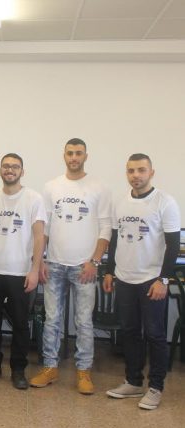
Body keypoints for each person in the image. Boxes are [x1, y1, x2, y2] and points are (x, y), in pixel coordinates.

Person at [30, 138, 111, 394]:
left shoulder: (99, 187)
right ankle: (50, 367)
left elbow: (106, 228)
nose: (74, 157)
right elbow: (44, 228)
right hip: (54, 265)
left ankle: (84, 371)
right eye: (69, 153)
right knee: (52, 319)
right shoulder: (51, 187)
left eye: (78, 153)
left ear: (86, 156)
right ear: (63, 156)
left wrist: (95, 261)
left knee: (84, 321)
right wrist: (41, 260)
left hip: (84, 267)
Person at [104, 154, 180, 410]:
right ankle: (133, 381)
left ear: (151, 173)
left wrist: (163, 279)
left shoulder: (165, 202)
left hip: (151, 280)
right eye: (131, 171)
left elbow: (172, 245)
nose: (135, 175)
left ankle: (155, 387)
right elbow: (115, 240)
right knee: (129, 332)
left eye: (141, 170)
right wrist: (109, 272)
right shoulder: (120, 202)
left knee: (155, 334)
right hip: (125, 278)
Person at [0, 153, 46, 389]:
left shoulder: (34, 199)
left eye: (15, 166)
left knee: (20, 324)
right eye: (6, 166)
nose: (10, 170)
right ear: (0, 170)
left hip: (20, 272)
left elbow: (39, 237)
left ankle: (18, 369)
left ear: (22, 171)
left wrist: (35, 270)